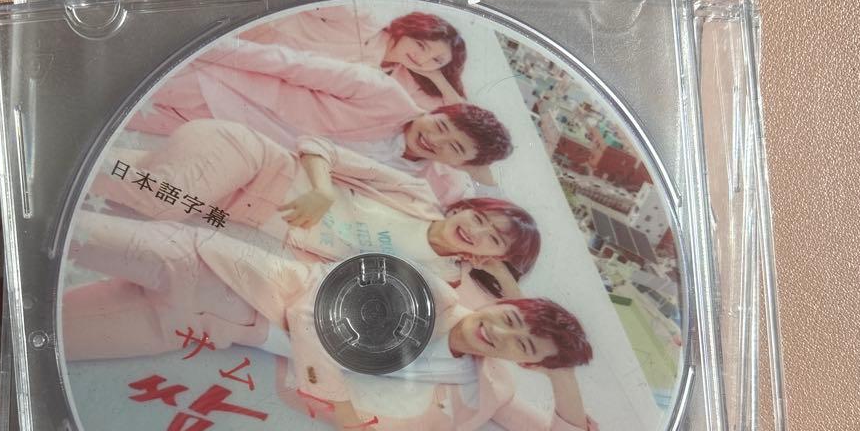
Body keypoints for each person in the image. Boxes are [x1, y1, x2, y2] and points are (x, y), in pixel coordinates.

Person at [63, 218, 597, 431]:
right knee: (52, 234)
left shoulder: (487, 387)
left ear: (528, 364)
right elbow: (311, 314)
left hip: (201, 327)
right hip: (210, 268)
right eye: (510, 320)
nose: (500, 335)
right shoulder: (430, 291)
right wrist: (346, 416)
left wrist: (562, 367)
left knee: (43, 339)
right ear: (504, 304)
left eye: (522, 346)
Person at [92, 118, 537, 291]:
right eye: (481, 217)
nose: (476, 229)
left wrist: (500, 272)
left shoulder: (439, 280)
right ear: (465, 208)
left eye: (492, 239)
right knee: (162, 202)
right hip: (251, 159)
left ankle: (68, 163)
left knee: (128, 177)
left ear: (489, 258)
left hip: (228, 206)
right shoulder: (416, 195)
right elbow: (318, 144)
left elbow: (513, 317)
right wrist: (322, 191)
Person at [125, 37, 503, 202]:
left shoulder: (419, 179)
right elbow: (289, 63)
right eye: (441, 126)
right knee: (121, 91)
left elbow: (492, 201)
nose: (436, 140)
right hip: (218, 91)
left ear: (462, 164)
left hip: (230, 144)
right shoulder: (384, 93)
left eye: (454, 148)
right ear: (435, 111)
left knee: (114, 128)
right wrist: (194, 48)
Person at [239, 5, 468, 109]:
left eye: (436, 60)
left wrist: (437, 77)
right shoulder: (366, 20)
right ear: (407, 30)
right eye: (421, 45)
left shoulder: (400, 79)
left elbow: (459, 116)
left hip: (267, 79)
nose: (422, 58)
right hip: (255, 37)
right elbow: (304, 0)